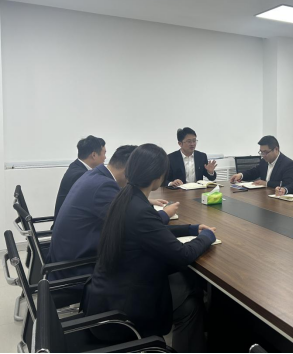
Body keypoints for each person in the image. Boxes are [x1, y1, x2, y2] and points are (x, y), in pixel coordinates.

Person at [83, 144, 217, 352]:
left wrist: (190, 228)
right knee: (191, 298)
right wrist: (207, 237)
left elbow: (152, 230)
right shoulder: (139, 208)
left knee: (187, 283)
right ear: (158, 176)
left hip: (107, 295)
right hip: (123, 310)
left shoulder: (126, 195)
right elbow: (182, 255)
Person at [47, 145, 179, 281]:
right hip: (78, 268)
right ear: (129, 169)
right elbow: (136, 224)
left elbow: (120, 204)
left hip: (67, 256)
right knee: (153, 256)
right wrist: (165, 214)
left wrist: (147, 200)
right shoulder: (104, 186)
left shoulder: (96, 175)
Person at [54, 135, 106, 220]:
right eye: (104, 153)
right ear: (94, 155)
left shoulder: (76, 167)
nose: (105, 157)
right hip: (70, 225)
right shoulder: (80, 175)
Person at [229, 135, 293, 187]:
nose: (263, 155)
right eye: (261, 152)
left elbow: (288, 184)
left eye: (265, 152)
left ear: (276, 149)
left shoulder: (288, 164)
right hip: (263, 195)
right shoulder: (264, 161)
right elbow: (254, 172)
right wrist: (241, 175)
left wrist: (266, 183)